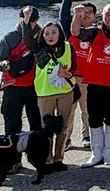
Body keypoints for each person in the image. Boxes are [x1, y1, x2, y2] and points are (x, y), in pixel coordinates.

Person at [74, 2, 110, 167]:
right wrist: (77, 17)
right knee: (94, 118)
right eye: (108, 15)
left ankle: (108, 152)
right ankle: (96, 153)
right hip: (96, 82)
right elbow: (76, 32)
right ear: (102, 16)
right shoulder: (94, 32)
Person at [26, 21, 76, 171]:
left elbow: (74, 66)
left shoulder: (68, 47)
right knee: (46, 128)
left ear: (60, 33)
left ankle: (58, 158)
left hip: (65, 91)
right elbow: (27, 39)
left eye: (54, 32)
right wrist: (27, 21)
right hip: (45, 92)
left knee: (63, 126)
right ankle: (46, 159)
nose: (50, 36)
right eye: (47, 33)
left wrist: (69, 73)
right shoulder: (39, 49)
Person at [0, 6, 42, 137]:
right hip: (12, 85)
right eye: (26, 19)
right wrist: (2, 64)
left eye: (32, 20)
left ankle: (38, 153)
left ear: (37, 19)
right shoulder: (9, 38)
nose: (28, 22)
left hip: (34, 86)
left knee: (37, 123)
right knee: (12, 123)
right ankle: (11, 152)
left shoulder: (42, 35)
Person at [60, 0, 93, 147]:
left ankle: (87, 136)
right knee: (69, 111)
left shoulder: (96, 32)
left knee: (87, 110)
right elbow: (63, 15)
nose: (85, 15)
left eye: (89, 13)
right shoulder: (69, 30)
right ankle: (66, 138)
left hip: (88, 79)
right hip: (71, 78)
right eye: (83, 12)